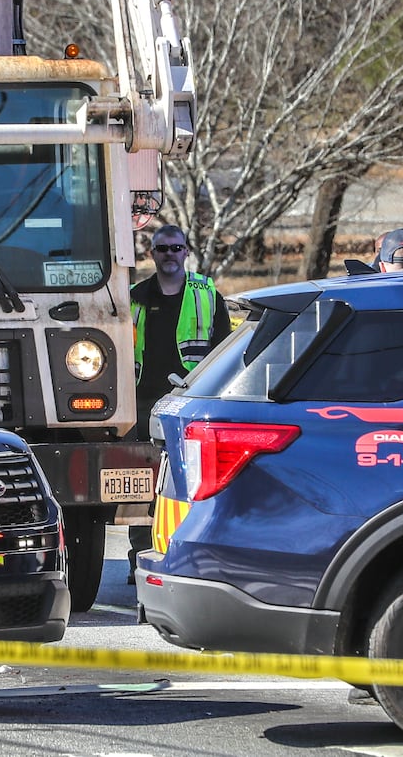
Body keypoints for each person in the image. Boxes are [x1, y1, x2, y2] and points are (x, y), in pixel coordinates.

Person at [127, 225, 231, 579]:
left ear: (187, 252)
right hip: (143, 402)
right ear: (152, 254)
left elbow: (223, 347)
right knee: (145, 483)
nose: (169, 254)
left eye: (176, 248)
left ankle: (185, 555)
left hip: (190, 400)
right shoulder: (134, 297)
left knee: (189, 480)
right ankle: (139, 555)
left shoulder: (206, 293)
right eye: (162, 248)